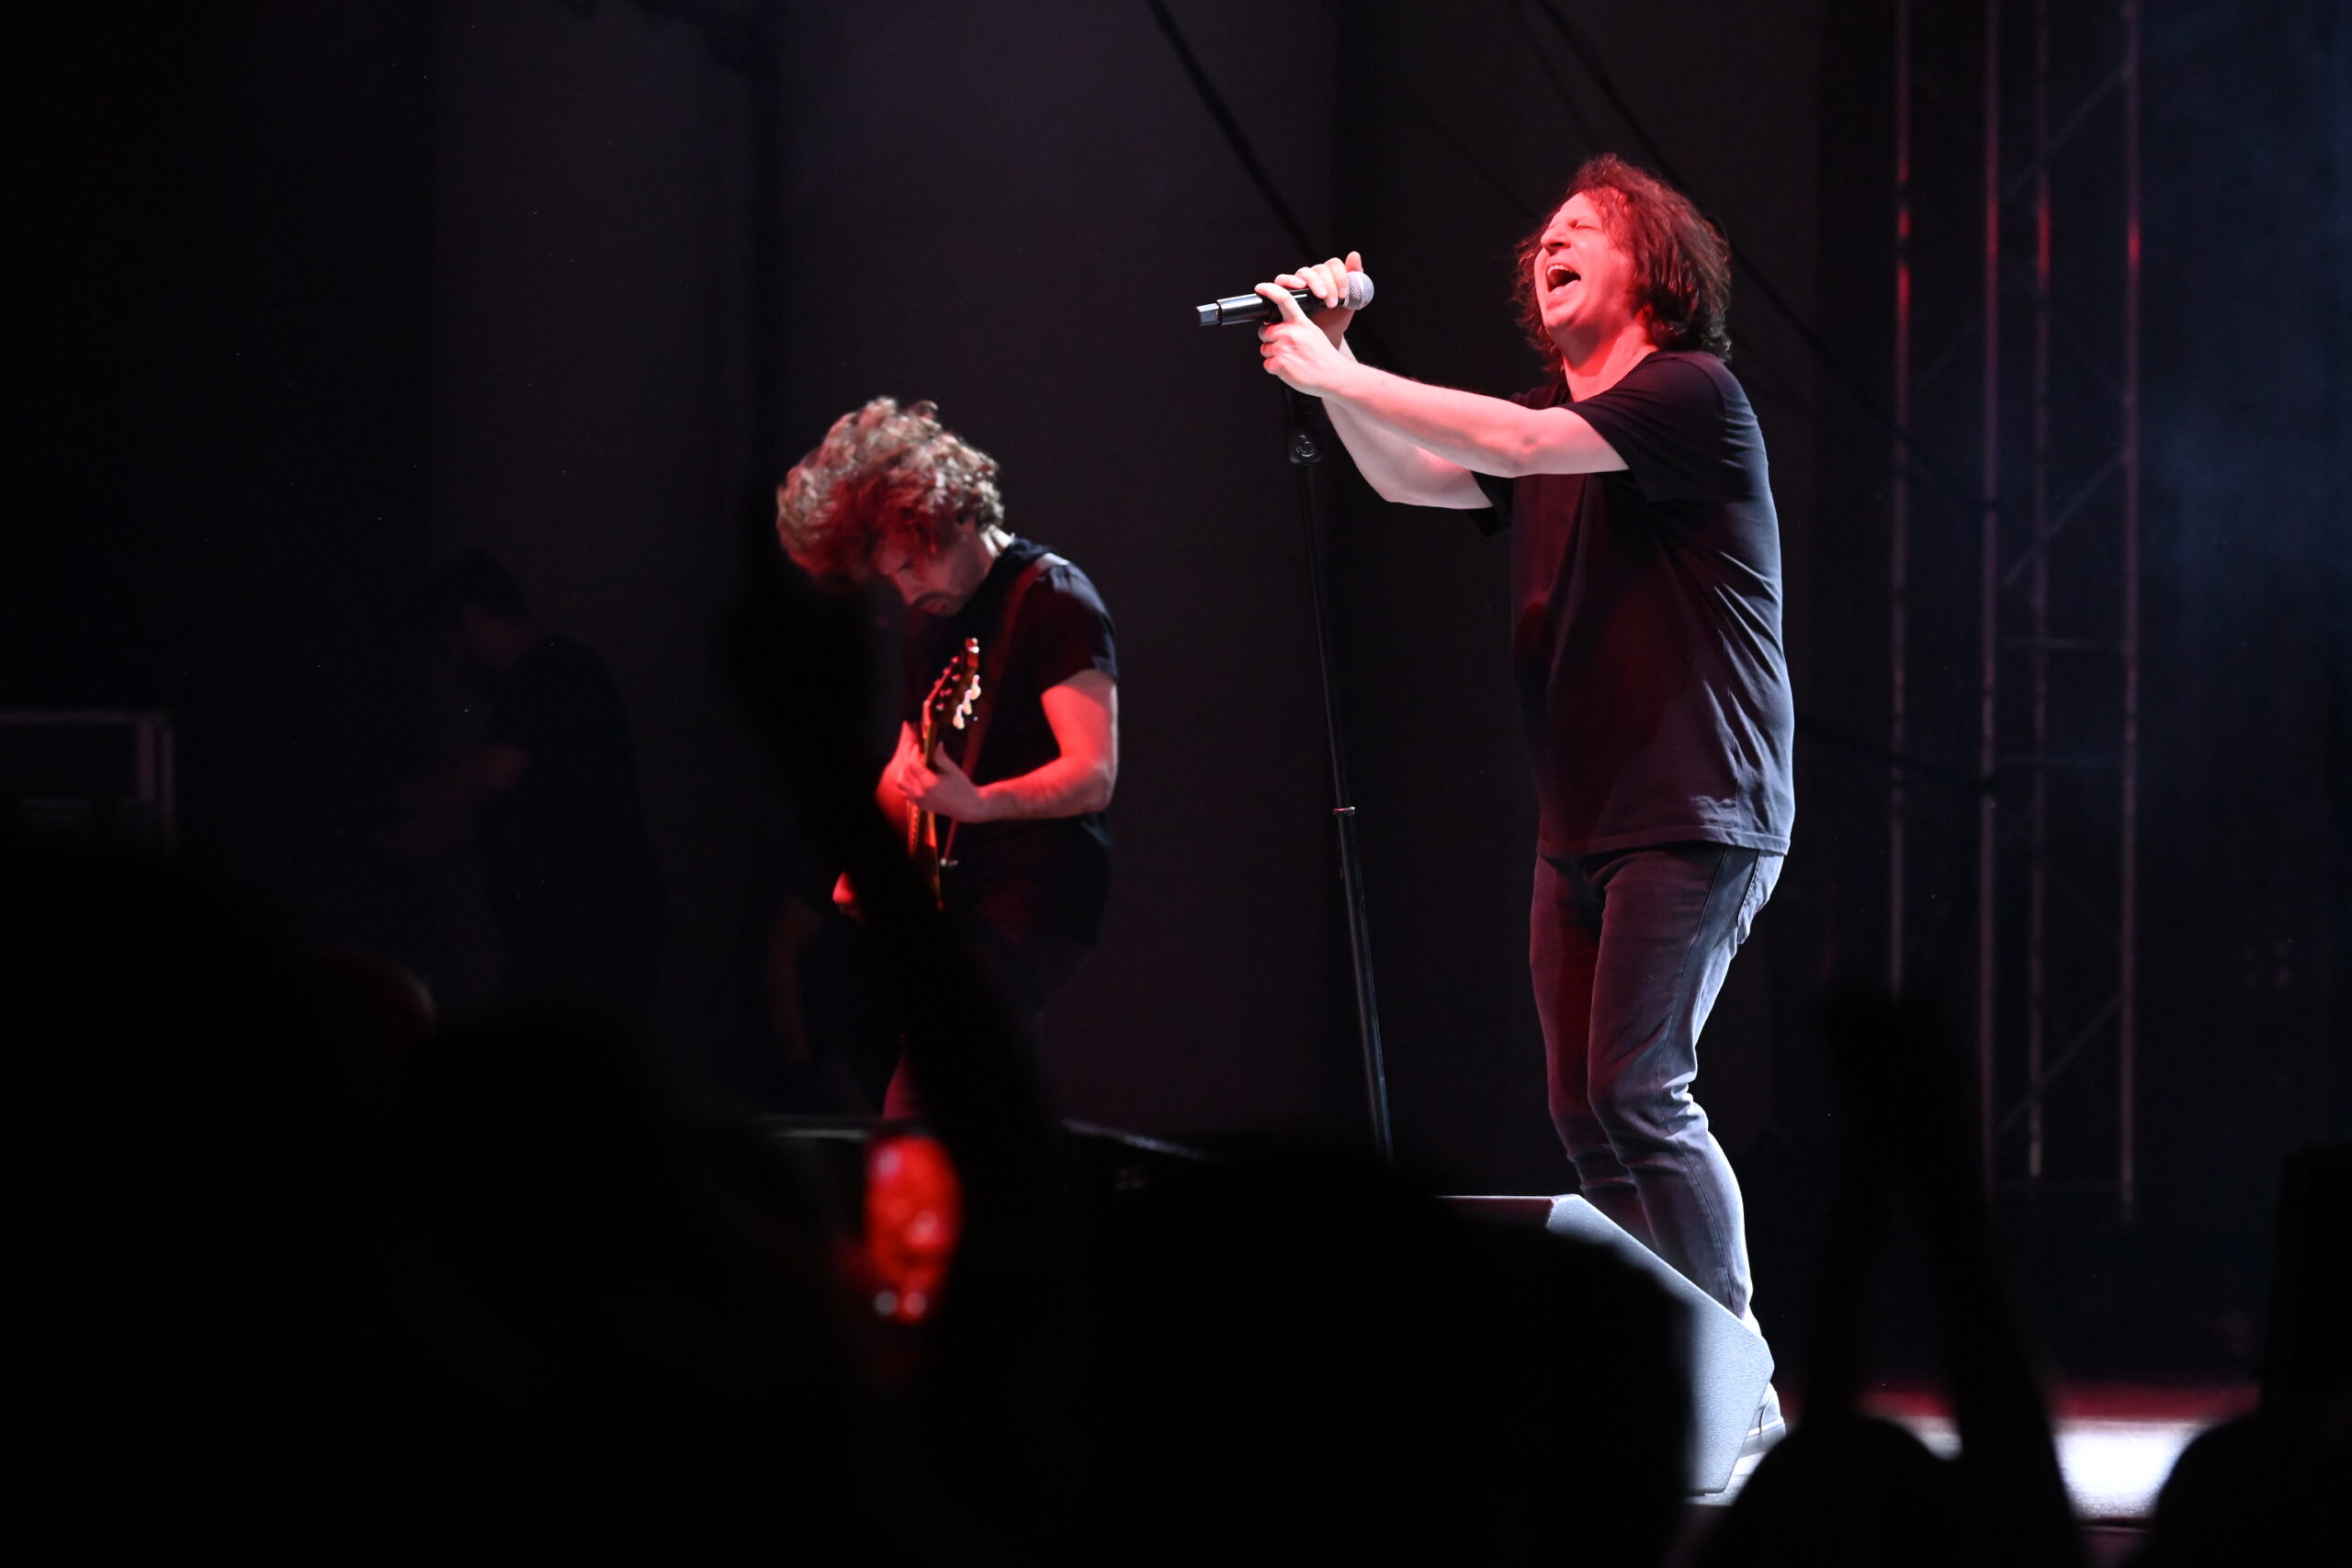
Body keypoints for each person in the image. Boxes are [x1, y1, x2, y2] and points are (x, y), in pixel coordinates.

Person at [1255, 155, 1796, 1389]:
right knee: (1581, 1107)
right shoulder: (1553, 418)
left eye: (1583, 229)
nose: (1550, 244)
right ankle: (1663, 1373)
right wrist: (1338, 358)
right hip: (1582, 816)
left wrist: (1339, 373)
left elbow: (1515, 440)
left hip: (1695, 803)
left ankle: (1738, 1368)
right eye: (1544, 237)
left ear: (1654, 267)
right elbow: (1412, 474)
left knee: (1639, 1088)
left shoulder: (1688, 394)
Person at [774, 398, 1118, 1117]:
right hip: (963, 892)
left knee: (920, 1094)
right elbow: (911, 750)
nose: (905, 590)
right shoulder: (931, 617)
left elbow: (1093, 774)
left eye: (911, 564)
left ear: (952, 513)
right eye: (889, 576)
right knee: (983, 1110)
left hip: (1037, 887)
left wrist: (982, 803)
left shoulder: (1056, 599)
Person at [395, 551, 667, 1027]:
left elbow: (491, 776)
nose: (453, 667)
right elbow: (491, 815)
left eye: (448, 647)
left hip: (588, 934)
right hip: (576, 936)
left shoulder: (551, 672)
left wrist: (398, 797)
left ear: (471, 621)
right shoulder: (543, 683)